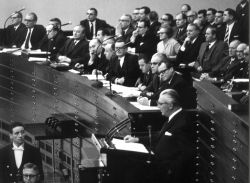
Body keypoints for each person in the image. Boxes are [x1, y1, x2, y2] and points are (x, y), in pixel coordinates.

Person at [125, 89, 196, 183]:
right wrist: (137, 139)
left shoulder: (183, 123)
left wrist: (169, 173)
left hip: (166, 172)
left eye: (160, 104)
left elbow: (186, 155)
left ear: (170, 105)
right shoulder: (172, 117)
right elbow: (160, 136)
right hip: (158, 164)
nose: (158, 106)